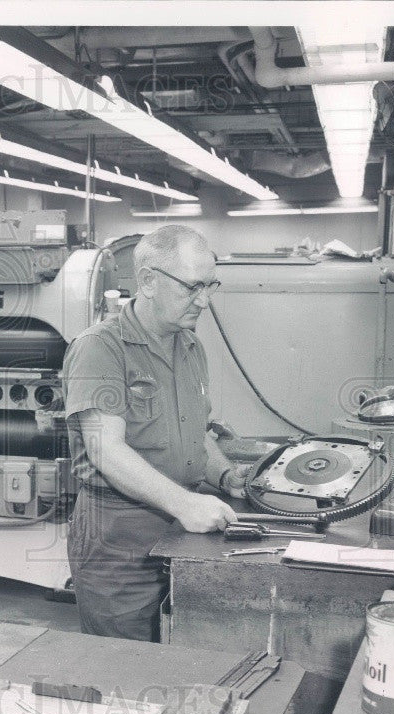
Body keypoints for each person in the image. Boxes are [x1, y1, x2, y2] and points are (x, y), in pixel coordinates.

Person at [61, 224, 247, 641]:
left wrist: (224, 475)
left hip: (181, 537)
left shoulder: (190, 346)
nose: (205, 300)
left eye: (211, 285)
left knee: (179, 653)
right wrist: (186, 503)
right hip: (118, 546)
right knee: (125, 672)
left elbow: (196, 431)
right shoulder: (101, 348)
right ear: (147, 281)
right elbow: (105, 450)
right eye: (192, 287)